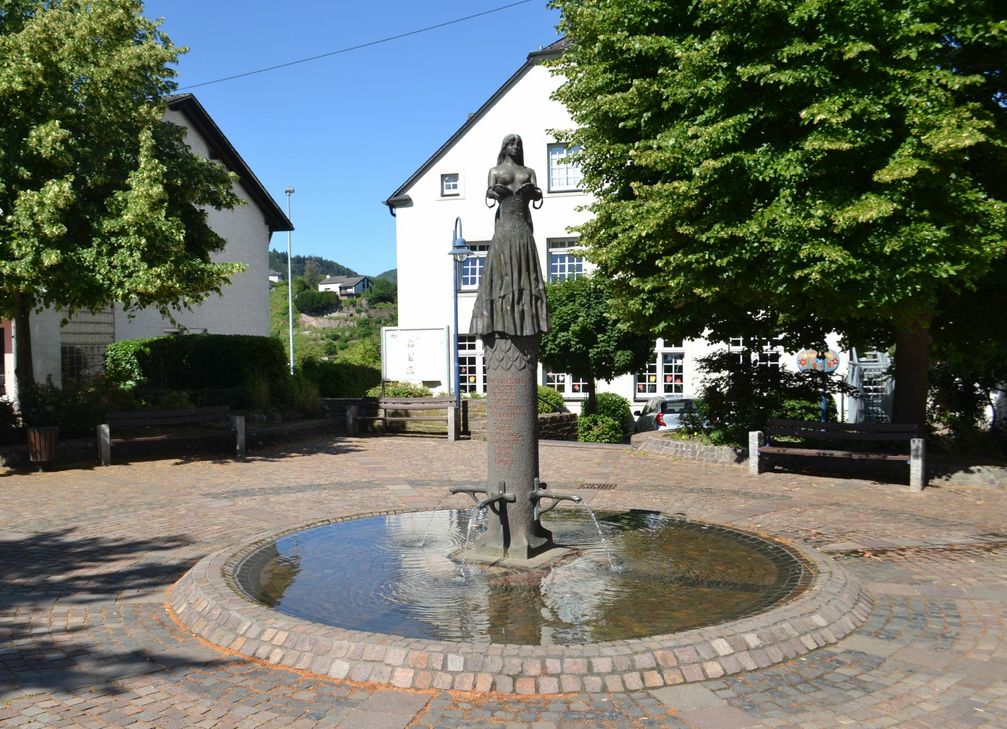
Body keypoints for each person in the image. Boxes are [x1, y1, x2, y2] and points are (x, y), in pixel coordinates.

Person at [470, 134, 550, 337]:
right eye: (512, 143)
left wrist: (535, 193)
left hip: (523, 231)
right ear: (504, 147)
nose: (516, 147)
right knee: (502, 275)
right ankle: (501, 319)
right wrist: (494, 193)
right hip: (504, 230)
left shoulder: (529, 172)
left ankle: (525, 321)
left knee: (525, 275)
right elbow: (489, 194)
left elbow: (537, 196)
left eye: (519, 144)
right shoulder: (495, 171)